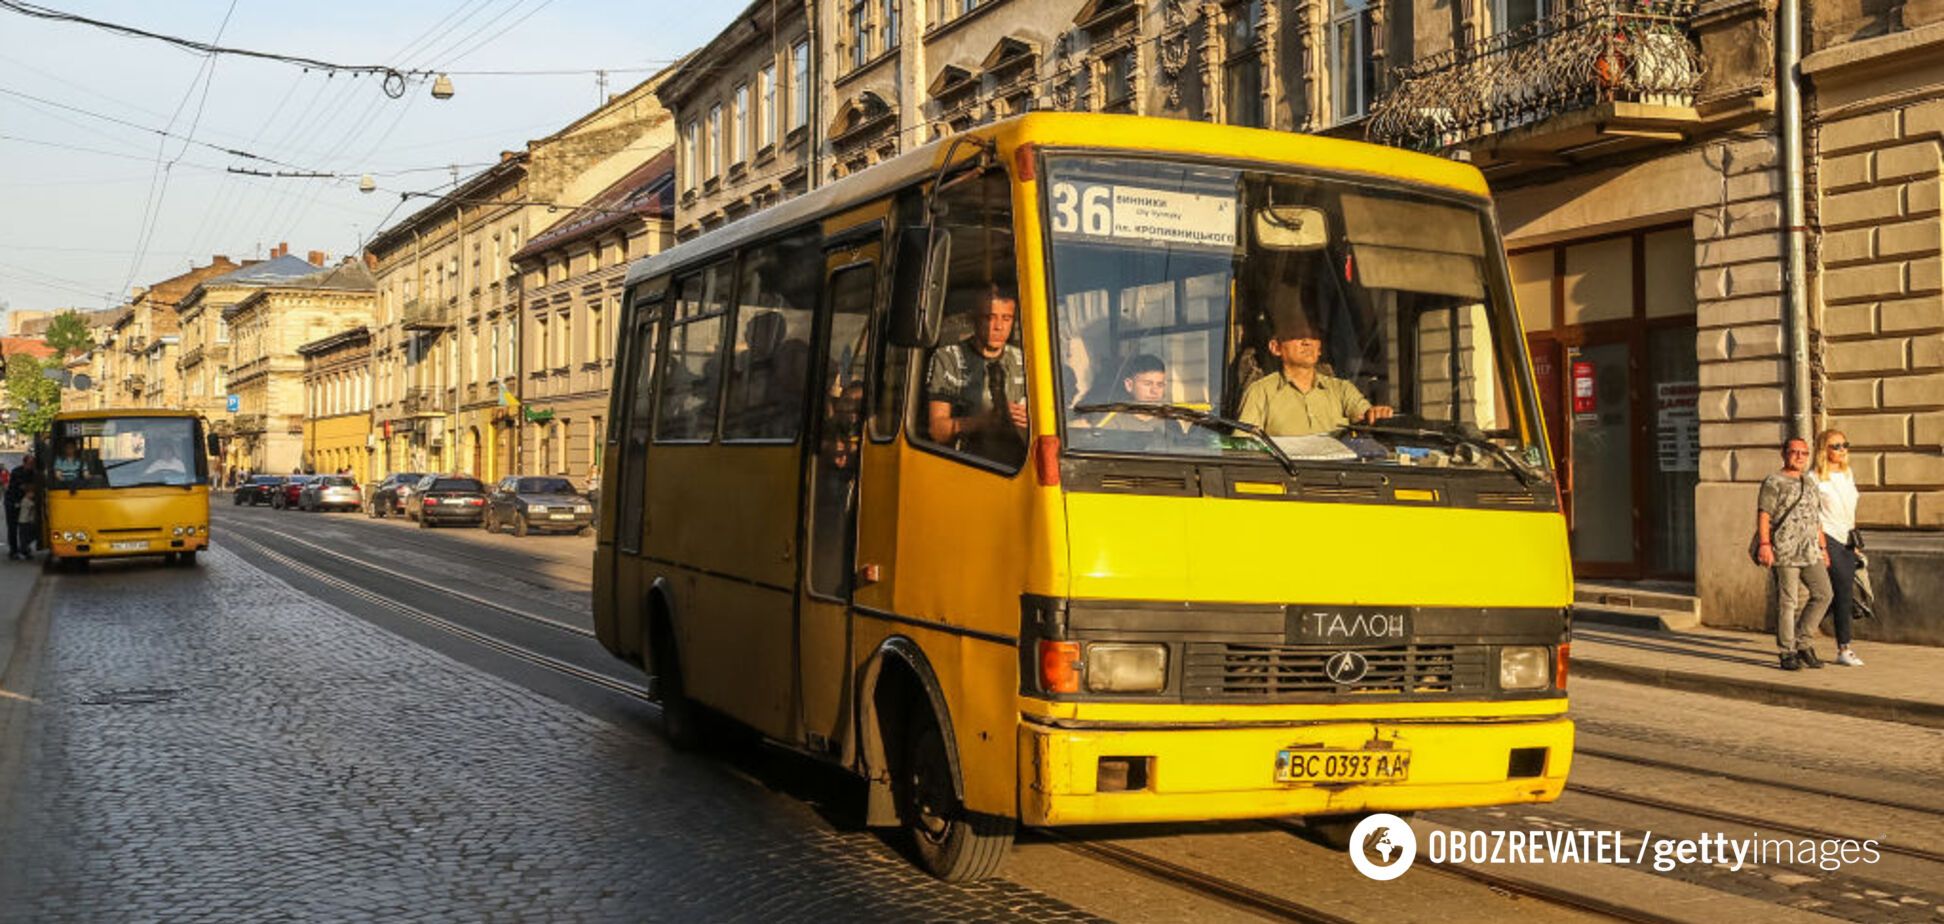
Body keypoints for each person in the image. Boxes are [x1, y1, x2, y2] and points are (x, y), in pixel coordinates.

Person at [1236, 308, 1393, 436]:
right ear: (1275, 347)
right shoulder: (1260, 392)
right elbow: (1244, 449)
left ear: (1320, 348)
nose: (1307, 342)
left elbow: (1365, 413)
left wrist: (1377, 414)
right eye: (1296, 335)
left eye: (1313, 335)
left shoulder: (1342, 390)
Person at [926, 283, 1027, 464]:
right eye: (990, 317)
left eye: (1006, 318)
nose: (998, 327)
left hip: (1017, 464)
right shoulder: (948, 358)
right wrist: (982, 421)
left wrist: (1030, 420)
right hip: (967, 463)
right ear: (974, 320)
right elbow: (937, 430)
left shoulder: (1024, 361)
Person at [1756, 437, 1832, 671]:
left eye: (1804, 453)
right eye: (1794, 452)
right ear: (1784, 454)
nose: (1799, 457)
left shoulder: (1809, 482)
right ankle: (1787, 651)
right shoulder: (1773, 481)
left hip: (1810, 550)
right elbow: (1764, 515)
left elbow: (1815, 518)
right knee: (1788, 601)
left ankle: (1804, 642)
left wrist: (1823, 548)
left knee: (1824, 594)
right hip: (1785, 550)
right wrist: (1765, 544)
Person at [1814, 430, 1865, 667]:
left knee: (1830, 595)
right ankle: (1844, 648)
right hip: (1828, 537)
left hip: (1847, 538)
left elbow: (1849, 510)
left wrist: (1854, 543)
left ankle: (1797, 632)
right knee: (1842, 592)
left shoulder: (1847, 473)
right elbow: (1813, 516)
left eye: (1845, 444)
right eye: (1836, 446)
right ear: (1824, 449)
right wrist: (1822, 547)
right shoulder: (1814, 478)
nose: (1843, 449)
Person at [6, 454, 36, 561]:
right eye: (30, 464)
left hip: (25, 503)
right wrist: (30, 489)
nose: (31, 466)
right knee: (13, 527)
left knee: (26, 527)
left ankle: (25, 548)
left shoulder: (34, 472)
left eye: (33, 464)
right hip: (12, 502)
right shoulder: (16, 472)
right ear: (24, 463)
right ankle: (13, 551)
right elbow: (22, 486)